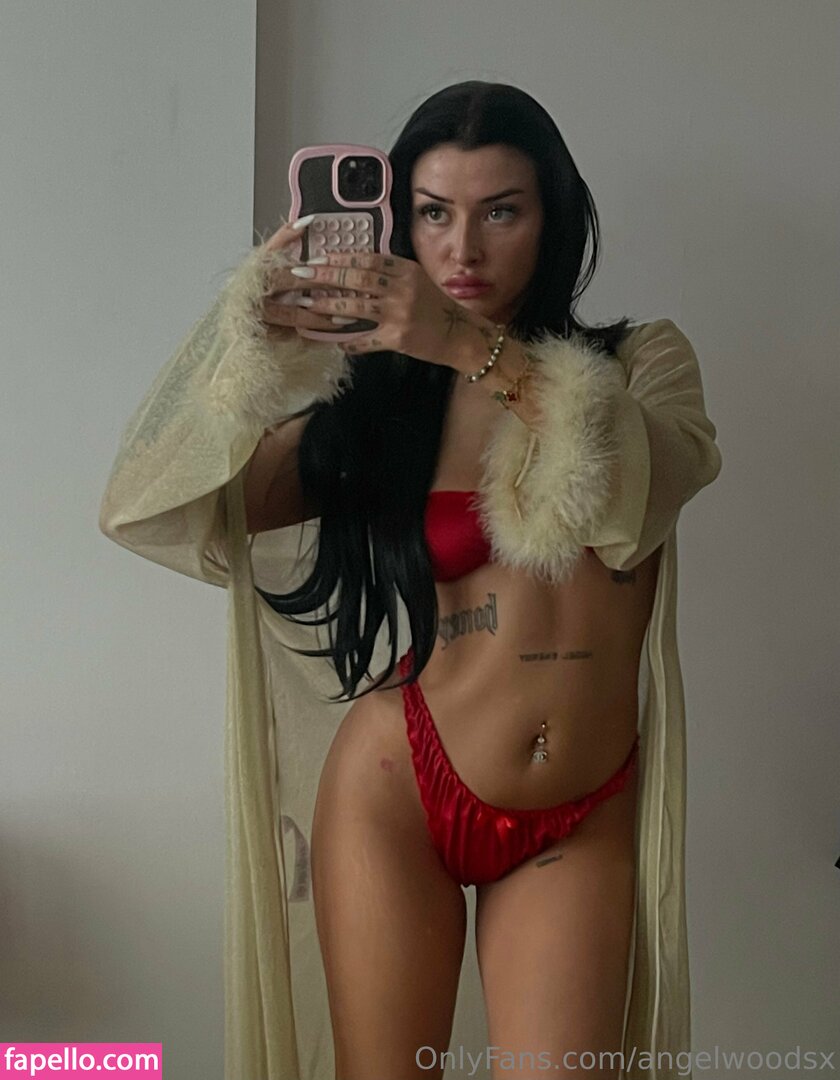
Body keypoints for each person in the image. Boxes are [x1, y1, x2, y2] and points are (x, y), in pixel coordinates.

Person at [99, 81, 722, 1080]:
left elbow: (636, 491)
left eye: (500, 212)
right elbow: (150, 509)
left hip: (581, 806)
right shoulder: (379, 407)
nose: (461, 249)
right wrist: (244, 347)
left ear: (554, 217)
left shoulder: (638, 363)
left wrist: (467, 347)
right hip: (400, 790)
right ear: (399, 222)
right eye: (433, 213)